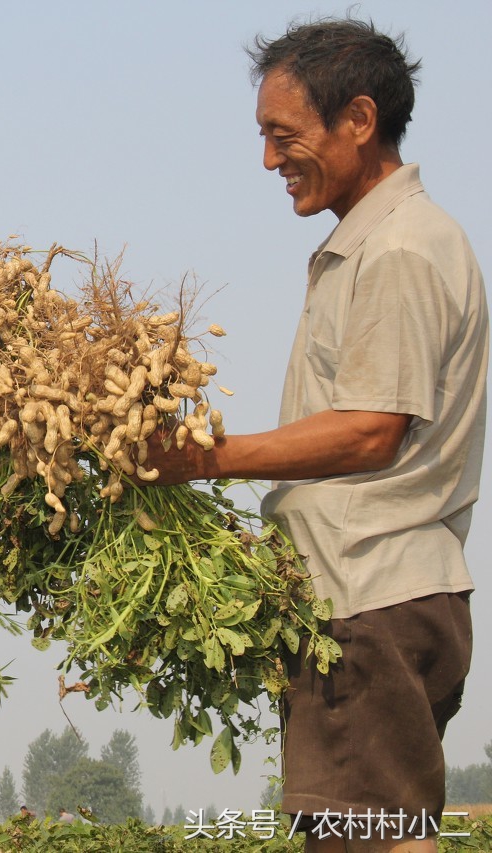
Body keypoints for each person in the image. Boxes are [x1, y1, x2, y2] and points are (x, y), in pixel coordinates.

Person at [147, 18, 485, 853]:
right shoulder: (375, 242)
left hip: (371, 596)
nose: (269, 160)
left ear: (359, 120)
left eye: (282, 135)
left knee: (377, 839)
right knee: (370, 834)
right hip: (368, 594)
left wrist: (202, 462)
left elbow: (371, 432)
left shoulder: (400, 249)